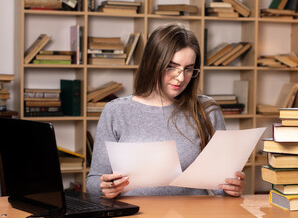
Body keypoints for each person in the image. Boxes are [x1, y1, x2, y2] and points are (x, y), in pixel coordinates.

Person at [86, 23, 245, 198]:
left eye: (188, 69)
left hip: (192, 215)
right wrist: (105, 187)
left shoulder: (207, 110)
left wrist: (232, 187)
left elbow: (219, 187)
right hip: (134, 214)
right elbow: (93, 182)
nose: (181, 77)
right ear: (151, 63)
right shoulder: (116, 111)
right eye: (171, 66)